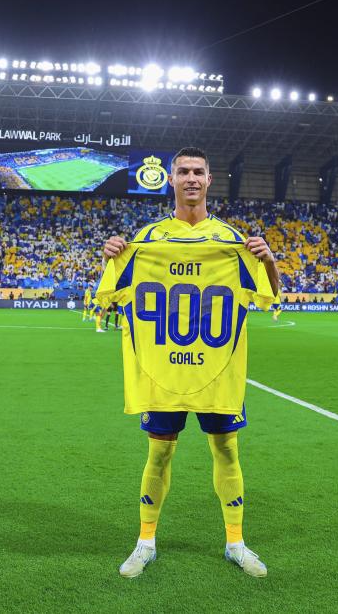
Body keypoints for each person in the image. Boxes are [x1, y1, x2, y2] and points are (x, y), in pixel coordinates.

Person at [101, 147, 280, 579]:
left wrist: (270, 260)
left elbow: (269, 295)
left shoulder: (234, 243)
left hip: (216, 367)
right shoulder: (146, 241)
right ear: (171, 179)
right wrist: (111, 255)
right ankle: (145, 542)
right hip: (164, 368)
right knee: (158, 454)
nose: (192, 178)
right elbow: (109, 298)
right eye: (183, 172)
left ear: (210, 179)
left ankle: (235, 542)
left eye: (199, 171)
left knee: (226, 449)